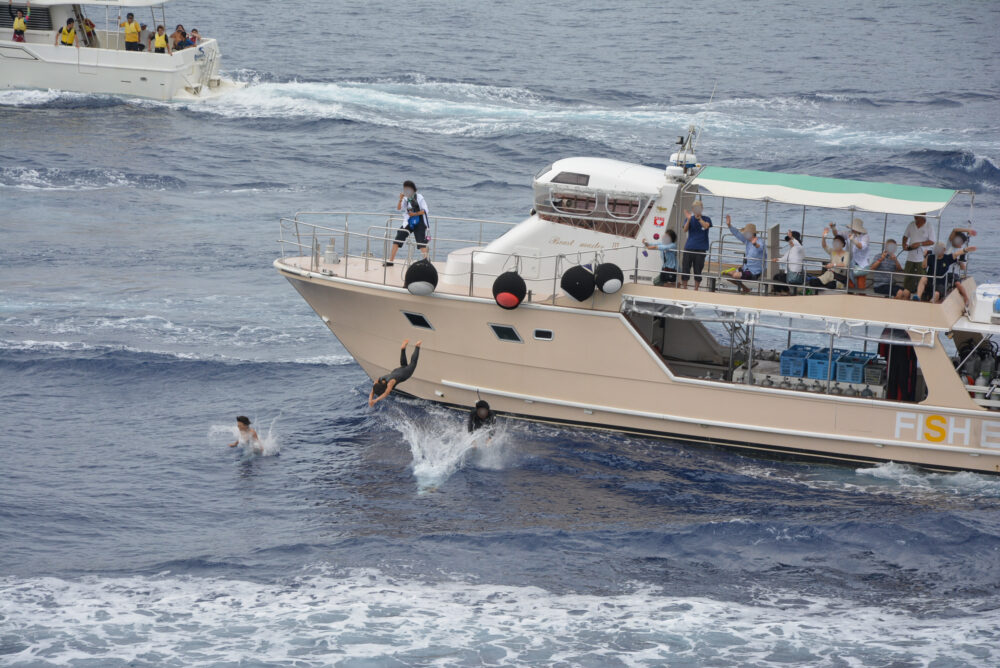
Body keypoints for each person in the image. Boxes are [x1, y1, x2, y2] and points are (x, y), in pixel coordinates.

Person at [385, 181, 430, 266]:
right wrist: (400, 199)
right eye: (405, 189)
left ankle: (426, 261)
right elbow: (399, 208)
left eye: (408, 189)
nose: (406, 191)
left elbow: (425, 210)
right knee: (398, 237)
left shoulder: (419, 197)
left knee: (421, 242)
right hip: (409, 221)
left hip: (419, 221)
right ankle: (391, 261)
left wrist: (415, 214)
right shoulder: (405, 198)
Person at [369, 339, 422, 407]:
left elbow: (386, 393)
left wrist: (375, 400)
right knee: (403, 365)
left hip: (405, 374)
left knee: (413, 363)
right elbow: (372, 391)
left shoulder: (390, 383)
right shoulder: (378, 380)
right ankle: (403, 349)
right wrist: (370, 400)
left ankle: (417, 346)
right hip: (397, 370)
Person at [723, 215, 765, 293]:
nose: (744, 234)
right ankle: (745, 288)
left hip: (754, 272)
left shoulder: (760, 241)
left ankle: (743, 285)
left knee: (735, 275)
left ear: (752, 234)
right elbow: (737, 234)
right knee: (726, 275)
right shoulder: (747, 241)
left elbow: (760, 248)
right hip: (746, 268)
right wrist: (729, 225)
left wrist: (755, 244)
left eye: (746, 233)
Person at [680, 201, 712, 290]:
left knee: (698, 270)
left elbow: (706, 226)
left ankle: (696, 289)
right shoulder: (689, 218)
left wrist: (699, 219)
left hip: (701, 249)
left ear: (702, 209)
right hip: (689, 247)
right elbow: (685, 230)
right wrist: (689, 219)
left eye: (698, 208)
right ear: (693, 209)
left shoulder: (707, 219)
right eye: (695, 208)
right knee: (685, 268)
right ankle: (684, 287)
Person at [901, 214, 936, 292]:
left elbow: (932, 241)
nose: (915, 216)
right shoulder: (911, 224)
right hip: (910, 256)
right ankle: (907, 292)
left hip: (922, 257)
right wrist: (904, 245)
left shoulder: (929, 226)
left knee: (922, 276)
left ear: (923, 215)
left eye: (918, 215)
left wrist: (919, 244)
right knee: (908, 275)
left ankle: (922, 293)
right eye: (915, 215)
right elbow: (905, 236)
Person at [771, 230, 805, 294]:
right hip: (789, 274)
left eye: (791, 240)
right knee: (778, 277)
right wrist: (777, 259)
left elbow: (797, 245)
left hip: (795, 275)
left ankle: (784, 292)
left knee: (777, 277)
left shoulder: (799, 248)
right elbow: (784, 259)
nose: (790, 242)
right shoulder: (791, 250)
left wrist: (792, 238)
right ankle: (786, 292)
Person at [844, 218, 870, 283]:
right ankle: (851, 289)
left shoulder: (865, 236)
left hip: (861, 262)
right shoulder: (850, 234)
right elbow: (838, 235)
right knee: (850, 278)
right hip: (851, 260)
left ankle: (860, 291)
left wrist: (853, 240)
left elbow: (860, 246)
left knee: (860, 280)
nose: (852, 230)